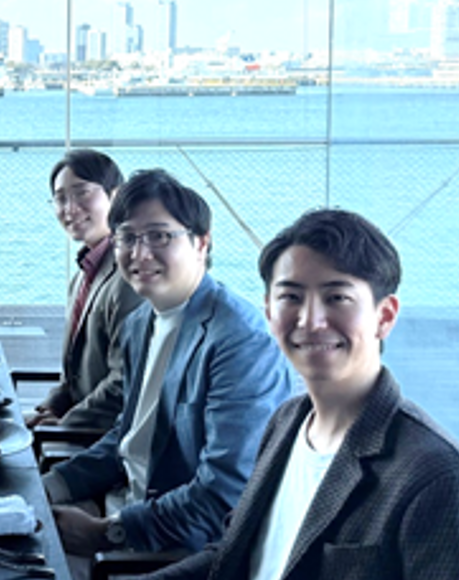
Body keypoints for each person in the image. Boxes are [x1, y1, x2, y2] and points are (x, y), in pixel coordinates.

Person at [86, 209, 459, 580]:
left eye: (337, 298)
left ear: (384, 315)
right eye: (291, 297)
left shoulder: (438, 482)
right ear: (268, 311)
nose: (311, 320)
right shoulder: (289, 422)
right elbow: (241, 557)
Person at [44, 168, 294, 559]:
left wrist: (105, 533)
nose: (140, 254)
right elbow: (131, 436)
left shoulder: (240, 341)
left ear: (201, 243)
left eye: (159, 236)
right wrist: (52, 485)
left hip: (175, 552)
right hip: (120, 504)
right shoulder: (141, 322)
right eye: (127, 238)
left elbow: (224, 494)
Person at [26, 149, 143, 433]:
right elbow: (76, 375)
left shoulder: (130, 276)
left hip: (104, 437)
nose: (70, 209)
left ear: (115, 196)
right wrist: (50, 407)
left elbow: (125, 380)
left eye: (82, 193)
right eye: (60, 198)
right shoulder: (83, 274)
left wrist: (65, 425)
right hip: (79, 423)